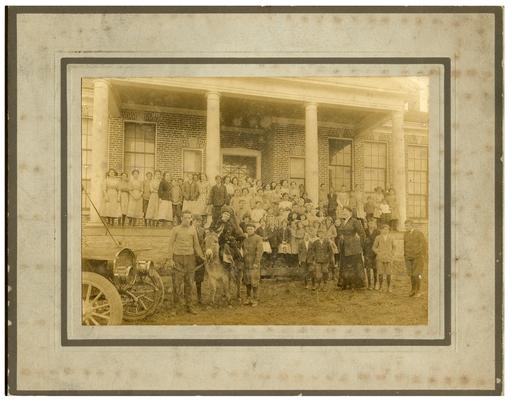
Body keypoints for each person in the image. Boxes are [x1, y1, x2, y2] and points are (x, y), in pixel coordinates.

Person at [167, 210, 205, 314]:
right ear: (181, 219)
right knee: (177, 284)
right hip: (178, 258)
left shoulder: (193, 230)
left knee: (189, 283)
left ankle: (190, 306)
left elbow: (196, 245)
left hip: (190, 259)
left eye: (189, 218)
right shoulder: (175, 230)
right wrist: (170, 259)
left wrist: (202, 257)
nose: (188, 220)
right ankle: (175, 307)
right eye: (185, 218)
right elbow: (170, 245)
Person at [336, 207, 366, 289]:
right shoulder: (342, 222)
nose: (344, 213)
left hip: (353, 247)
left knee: (353, 265)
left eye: (345, 212)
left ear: (350, 213)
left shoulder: (355, 221)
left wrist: (361, 245)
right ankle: (345, 283)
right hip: (344, 246)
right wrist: (341, 237)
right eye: (343, 212)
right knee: (345, 265)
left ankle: (354, 284)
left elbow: (362, 234)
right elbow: (340, 233)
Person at [242, 223, 264, 307]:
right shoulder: (245, 239)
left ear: (254, 229)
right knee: (247, 281)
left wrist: (256, 262)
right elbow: (243, 251)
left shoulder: (258, 238)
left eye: (251, 229)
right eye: (248, 229)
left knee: (254, 281)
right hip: (246, 264)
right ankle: (248, 298)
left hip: (254, 264)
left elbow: (259, 252)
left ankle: (255, 299)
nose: (249, 230)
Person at [404, 220, 427, 297]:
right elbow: (405, 245)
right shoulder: (405, 234)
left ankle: (418, 290)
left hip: (418, 257)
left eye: (408, 225)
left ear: (412, 225)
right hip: (408, 257)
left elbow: (424, 244)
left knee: (417, 274)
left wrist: (420, 253)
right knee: (411, 274)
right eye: (405, 226)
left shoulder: (419, 233)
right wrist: (405, 255)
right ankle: (413, 289)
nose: (406, 227)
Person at [372, 224, 396, 292]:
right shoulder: (378, 237)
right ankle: (380, 287)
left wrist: (392, 253)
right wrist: (378, 253)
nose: (385, 231)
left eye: (387, 229)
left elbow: (394, 247)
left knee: (389, 273)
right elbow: (374, 247)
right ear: (381, 230)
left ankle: (389, 287)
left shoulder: (391, 238)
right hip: (380, 258)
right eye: (384, 229)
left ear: (389, 230)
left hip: (389, 258)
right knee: (380, 273)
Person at [192, 214, 206, 305]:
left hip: (200, 257)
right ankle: (187, 297)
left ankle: (199, 297)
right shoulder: (189, 230)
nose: (198, 223)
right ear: (193, 221)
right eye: (196, 221)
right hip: (191, 255)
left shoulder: (202, 231)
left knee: (199, 278)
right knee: (189, 277)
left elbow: (204, 243)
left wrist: (202, 254)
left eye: (200, 221)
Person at [363, 217, 380, 290]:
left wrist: (378, 252)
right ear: (367, 224)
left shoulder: (378, 232)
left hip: (375, 253)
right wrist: (364, 252)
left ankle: (376, 283)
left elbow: (380, 243)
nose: (371, 224)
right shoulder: (365, 231)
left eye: (372, 223)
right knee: (368, 269)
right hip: (367, 252)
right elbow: (363, 242)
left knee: (375, 269)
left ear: (375, 224)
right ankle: (369, 284)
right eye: (369, 223)